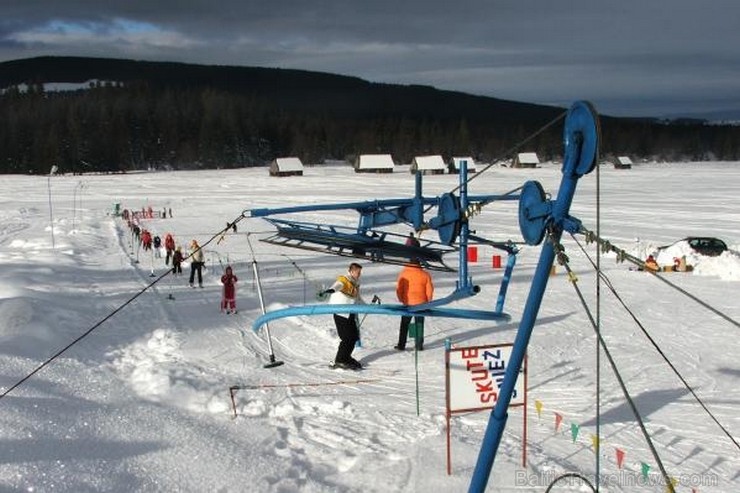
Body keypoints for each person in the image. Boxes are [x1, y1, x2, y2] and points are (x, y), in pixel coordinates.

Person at [320, 262, 367, 370]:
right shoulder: (344, 280)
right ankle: (340, 360)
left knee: (354, 336)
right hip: (340, 312)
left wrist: (369, 307)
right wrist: (331, 290)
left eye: (360, 272)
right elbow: (337, 286)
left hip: (350, 312)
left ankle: (346, 357)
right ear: (351, 271)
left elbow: (358, 298)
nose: (359, 274)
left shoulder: (356, 283)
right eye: (357, 272)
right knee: (346, 337)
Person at [395, 258, 434, 351]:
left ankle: (401, 344)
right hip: (421, 304)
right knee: (419, 324)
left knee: (404, 324)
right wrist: (427, 302)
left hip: (407, 303)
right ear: (419, 264)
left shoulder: (404, 273)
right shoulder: (425, 274)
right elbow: (430, 290)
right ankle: (418, 345)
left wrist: (402, 299)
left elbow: (399, 289)